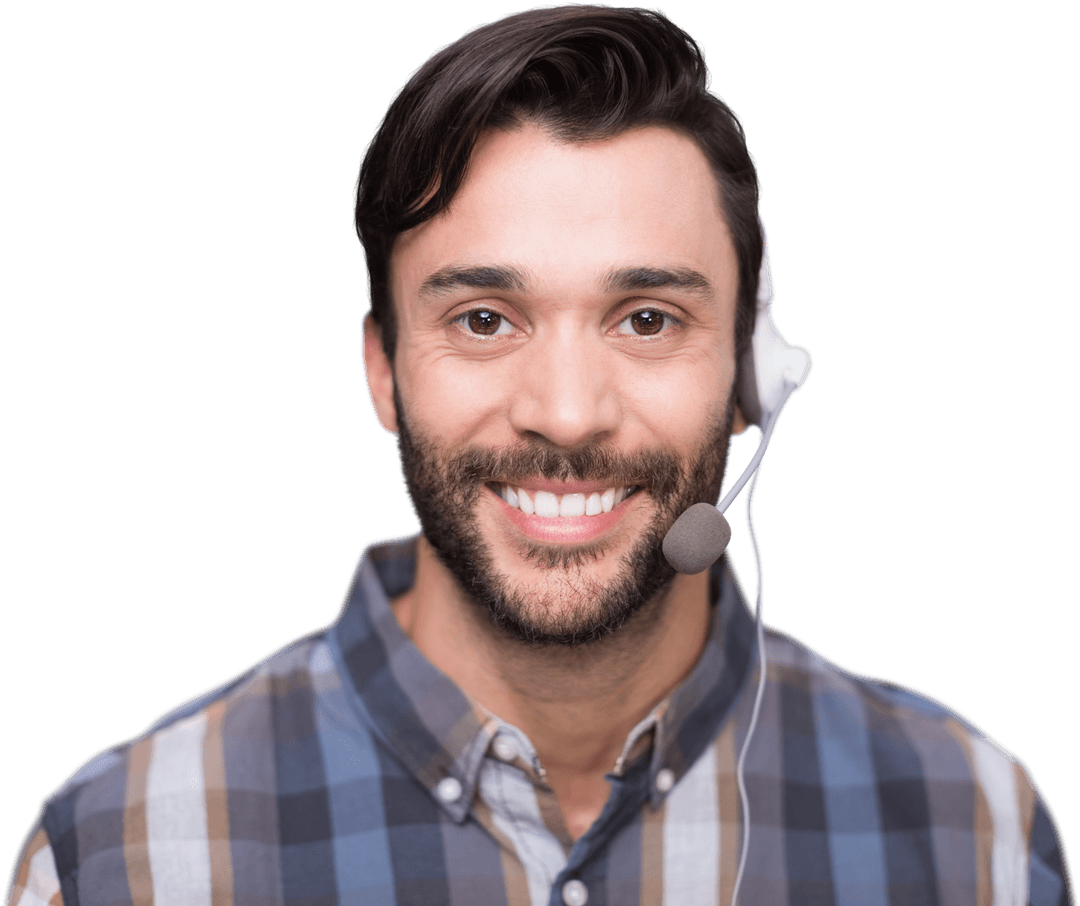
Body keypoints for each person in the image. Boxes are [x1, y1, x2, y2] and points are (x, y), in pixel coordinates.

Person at [6, 5, 1073, 905]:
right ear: (382, 369)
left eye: (647, 319)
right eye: (483, 319)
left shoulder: (973, 834)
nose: (566, 416)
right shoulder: (125, 854)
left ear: (753, 374)